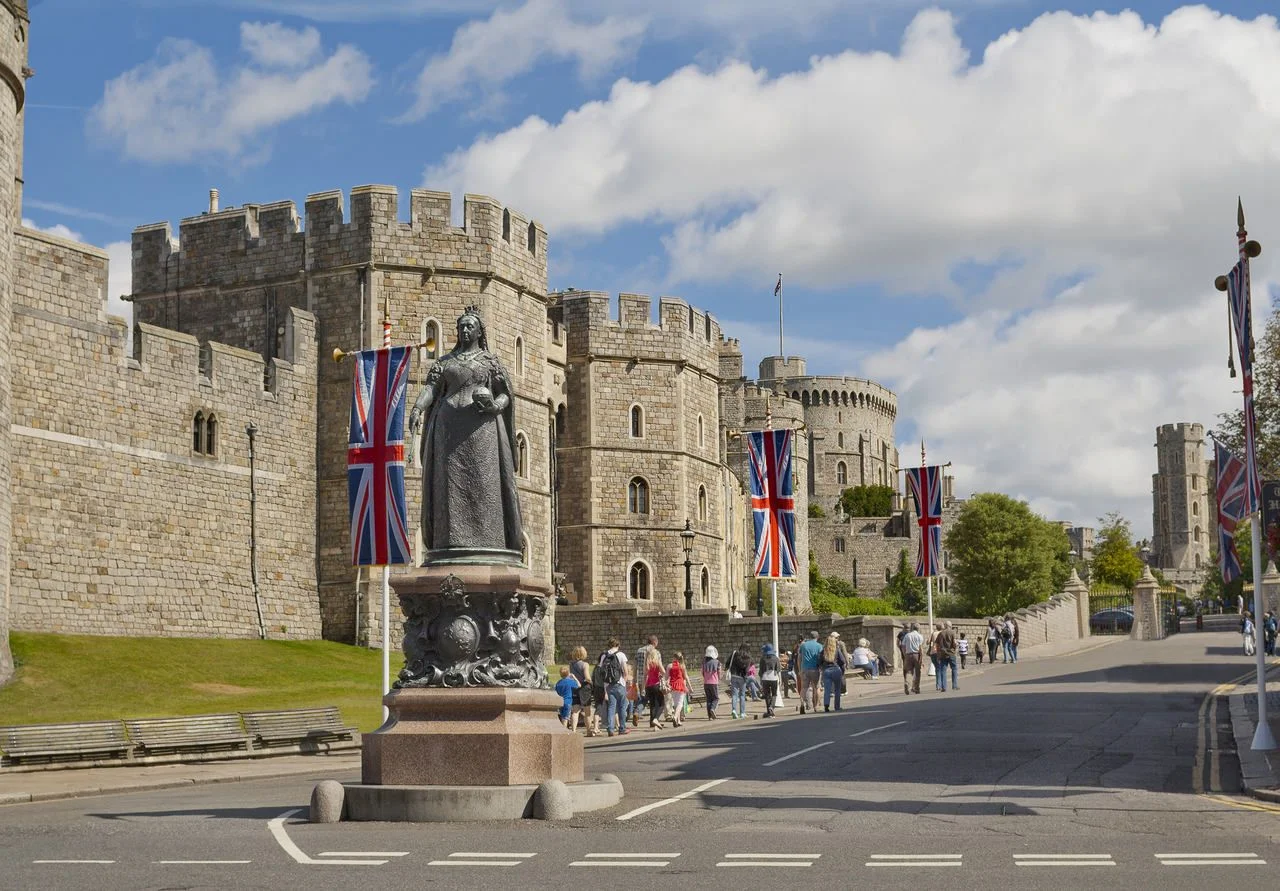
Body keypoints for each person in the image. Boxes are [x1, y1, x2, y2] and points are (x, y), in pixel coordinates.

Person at [408, 307, 523, 563]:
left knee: (484, 484)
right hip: (447, 428)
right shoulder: (445, 362)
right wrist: (417, 407)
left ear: (480, 331)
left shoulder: (490, 362)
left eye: (470, 326)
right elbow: (431, 389)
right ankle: (449, 542)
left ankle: (490, 542)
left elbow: (505, 393)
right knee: (447, 487)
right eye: (461, 326)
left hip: (482, 431)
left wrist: (495, 406)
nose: (465, 330)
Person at [595, 638, 628, 737]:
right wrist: (624, 683)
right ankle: (622, 728)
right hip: (619, 683)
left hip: (608, 684)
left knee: (611, 707)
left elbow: (600, 670)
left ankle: (610, 728)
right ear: (618, 645)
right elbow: (625, 671)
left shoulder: (604, 655)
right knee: (622, 706)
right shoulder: (621, 655)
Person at [567, 646, 594, 735]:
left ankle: (573, 730)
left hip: (575, 688)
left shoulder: (571, 664)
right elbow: (587, 677)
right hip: (584, 688)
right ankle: (589, 730)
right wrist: (591, 681)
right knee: (587, 711)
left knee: (575, 711)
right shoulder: (585, 664)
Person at [797, 630, 824, 714]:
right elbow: (821, 658)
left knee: (804, 688)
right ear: (817, 637)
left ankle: (802, 704)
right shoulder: (819, 646)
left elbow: (799, 658)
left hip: (804, 669)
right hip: (815, 669)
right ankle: (816, 706)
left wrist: (800, 669)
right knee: (817, 688)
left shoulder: (803, 645)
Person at [819, 633, 847, 711]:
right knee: (837, 690)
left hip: (826, 671)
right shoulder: (837, 650)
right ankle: (837, 707)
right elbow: (842, 661)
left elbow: (819, 662)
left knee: (827, 689)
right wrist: (842, 670)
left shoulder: (823, 651)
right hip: (836, 670)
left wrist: (822, 667)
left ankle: (826, 706)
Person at [644, 647, 667, 730]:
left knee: (652, 705)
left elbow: (645, 674)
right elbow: (664, 672)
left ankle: (653, 725)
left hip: (648, 685)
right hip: (656, 684)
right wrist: (661, 674)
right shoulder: (657, 662)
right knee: (661, 704)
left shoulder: (647, 663)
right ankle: (656, 719)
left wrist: (643, 687)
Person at [728, 643, 751, 719]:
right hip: (742, 677)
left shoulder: (734, 653)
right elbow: (747, 670)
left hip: (734, 676)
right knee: (742, 695)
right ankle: (742, 713)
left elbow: (728, 663)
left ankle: (734, 710)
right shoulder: (747, 657)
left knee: (734, 695)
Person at [900, 622, 923, 695]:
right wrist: (921, 659)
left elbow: (902, 645)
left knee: (909, 671)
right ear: (918, 629)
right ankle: (916, 688)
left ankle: (907, 683)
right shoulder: (920, 636)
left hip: (908, 655)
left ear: (912, 628)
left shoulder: (907, 635)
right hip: (917, 655)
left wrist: (905, 654)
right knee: (918, 672)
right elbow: (921, 648)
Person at [935, 622, 959, 692]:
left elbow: (937, 644)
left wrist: (938, 653)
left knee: (943, 670)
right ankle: (954, 686)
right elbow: (954, 643)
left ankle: (944, 687)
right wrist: (955, 647)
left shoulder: (941, 633)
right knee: (954, 669)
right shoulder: (952, 632)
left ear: (945, 626)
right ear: (950, 626)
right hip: (951, 653)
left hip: (943, 654)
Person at [667, 652, 689, 727]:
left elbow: (667, 677)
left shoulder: (669, 666)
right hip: (680, 685)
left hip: (672, 685)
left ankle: (678, 721)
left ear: (674, 658)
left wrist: (666, 683)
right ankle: (675, 717)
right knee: (680, 704)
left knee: (676, 704)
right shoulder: (682, 666)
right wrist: (690, 687)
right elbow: (686, 677)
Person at [759, 644, 781, 717]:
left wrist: (761, 680)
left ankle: (769, 711)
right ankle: (772, 707)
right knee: (774, 694)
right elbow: (778, 669)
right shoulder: (776, 658)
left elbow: (761, 671)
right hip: (774, 677)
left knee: (767, 695)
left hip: (765, 678)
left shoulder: (762, 659)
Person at [702, 646, 722, 719]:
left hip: (706, 683)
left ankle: (709, 716)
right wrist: (719, 678)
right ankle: (713, 709)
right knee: (716, 698)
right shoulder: (717, 662)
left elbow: (702, 672)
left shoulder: (704, 662)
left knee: (709, 699)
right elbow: (719, 672)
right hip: (714, 683)